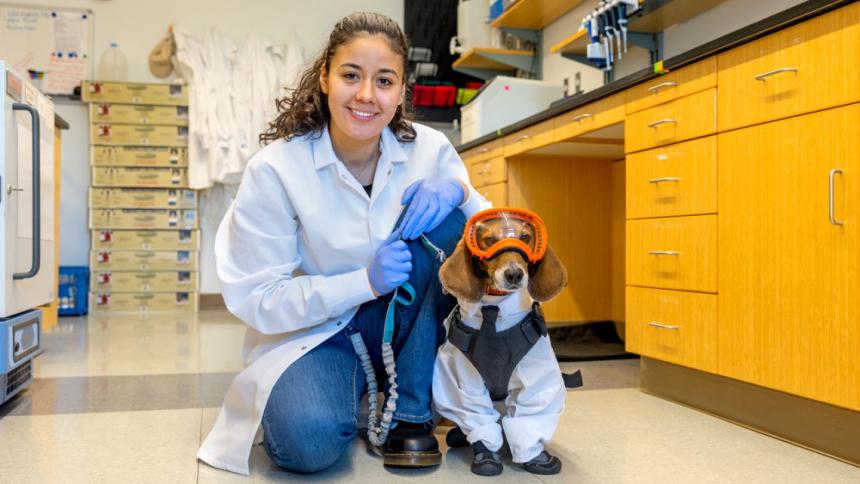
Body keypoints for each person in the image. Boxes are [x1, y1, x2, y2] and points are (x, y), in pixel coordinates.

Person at [197, 12, 489, 476]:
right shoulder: (276, 170)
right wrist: (364, 282)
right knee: (306, 445)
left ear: (400, 91)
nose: (367, 95)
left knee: (452, 221)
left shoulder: (429, 149)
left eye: (385, 80)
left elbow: (492, 237)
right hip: (321, 332)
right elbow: (259, 298)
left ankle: (408, 415)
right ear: (325, 78)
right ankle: (362, 397)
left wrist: (461, 192)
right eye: (351, 75)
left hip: (409, 329)